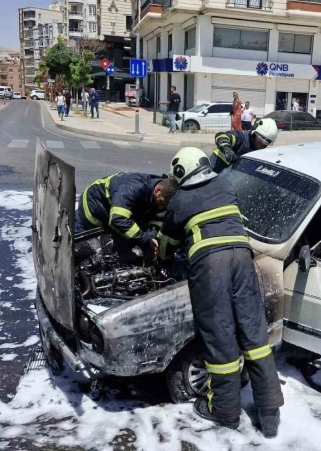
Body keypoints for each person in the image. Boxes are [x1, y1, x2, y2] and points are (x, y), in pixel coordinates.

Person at [158, 147, 284, 437]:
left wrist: (163, 261)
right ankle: (270, 414)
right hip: (242, 258)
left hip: (210, 266)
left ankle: (225, 411)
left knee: (220, 333)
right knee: (254, 333)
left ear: (180, 174)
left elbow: (166, 244)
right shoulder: (225, 183)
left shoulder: (180, 201)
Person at [76, 172, 178, 259]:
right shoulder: (132, 188)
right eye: (161, 203)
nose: (161, 207)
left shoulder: (159, 194)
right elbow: (118, 219)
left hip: (112, 218)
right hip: (90, 214)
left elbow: (155, 219)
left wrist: (151, 237)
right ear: (158, 190)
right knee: (82, 254)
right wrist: (146, 240)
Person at [210, 118, 279, 173]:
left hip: (227, 175)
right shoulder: (242, 138)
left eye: (267, 142)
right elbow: (221, 135)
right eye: (261, 140)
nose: (262, 145)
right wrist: (226, 148)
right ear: (254, 133)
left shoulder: (257, 152)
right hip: (214, 167)